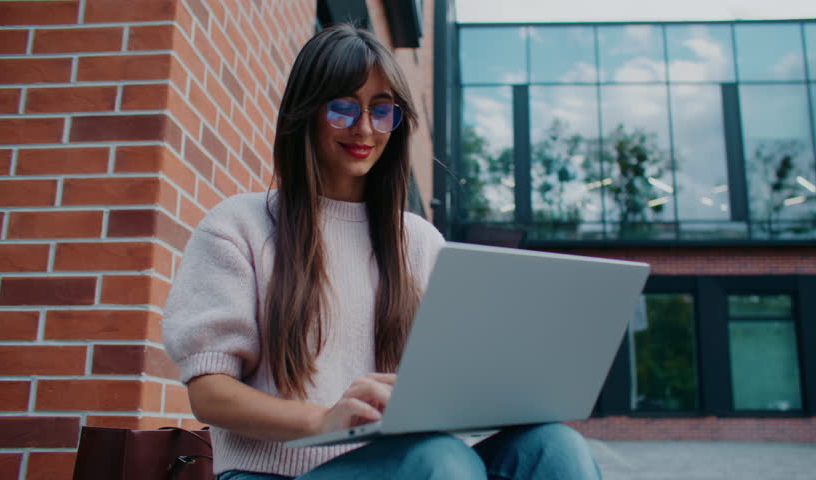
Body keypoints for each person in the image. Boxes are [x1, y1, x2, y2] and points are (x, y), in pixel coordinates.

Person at [162, 24, 603, 480]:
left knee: (556, 447)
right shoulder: (239, 225)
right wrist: (322, 420)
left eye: (382, 110)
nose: (365, 128)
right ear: (306, 111)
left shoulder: (420, 241)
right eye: (342, 107)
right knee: (442, 462)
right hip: (272, 475)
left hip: (409, 463)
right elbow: (209, 393)